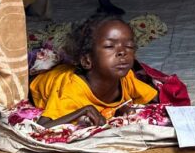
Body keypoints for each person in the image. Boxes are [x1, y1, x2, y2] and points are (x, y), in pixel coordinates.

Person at [30, 16, 158, 128]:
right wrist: (84, 110)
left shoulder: (126, 78)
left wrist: (121, 108)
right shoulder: (71, 91)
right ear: (87, 60)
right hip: (40, 81)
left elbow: (156, 100)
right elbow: (42, 125)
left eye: (129, 46)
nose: (123, 52)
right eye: (109, 46)